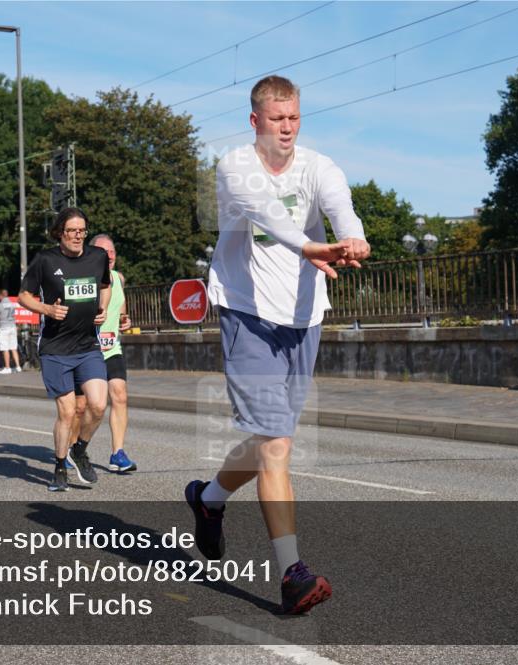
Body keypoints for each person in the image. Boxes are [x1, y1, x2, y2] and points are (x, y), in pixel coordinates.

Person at [185, 75, 369, 615]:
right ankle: (292, 572)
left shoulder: (319, 166)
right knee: (276, 445)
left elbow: (341, 205)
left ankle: (209, 499)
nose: (286, 128)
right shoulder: (233, 167)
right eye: (276, 119)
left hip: (304, 316)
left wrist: (351, 236)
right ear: (255, 121)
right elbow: (269, 215)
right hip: (247, 311)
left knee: (273, 438)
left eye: (293, 118)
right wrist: (311, 246)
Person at [18, 207, 110, 492]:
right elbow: (23, 296)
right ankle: (59, 467)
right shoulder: (45, 260)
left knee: (97, 404)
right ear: (60, 232)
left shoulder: (98, 257)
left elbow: (105, 285)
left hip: (87, 344)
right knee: (68, 412)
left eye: (82, 230)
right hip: (56, 348)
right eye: (72, 231)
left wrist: (103, 309)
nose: (78, 236)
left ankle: (79, 450)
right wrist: (46, 309)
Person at [69, 234, 136, 472]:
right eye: (102, 252)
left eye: (112, 252)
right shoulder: (82, 280)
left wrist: (124, 320)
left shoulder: (118, 278)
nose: (108, 256)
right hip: (85, 350)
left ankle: (117, 453)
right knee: (81, 406)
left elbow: (121, 309)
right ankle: (71, 449)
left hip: (110, 348)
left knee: (120, 395)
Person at [0, 288, 21, 374]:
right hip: (12, 327)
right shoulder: (12, 304)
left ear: (1, 296)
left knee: (5, 348)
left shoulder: (0, 305)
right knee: (13, 347)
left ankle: (7, 367)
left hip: (4, 328)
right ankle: (18, 366)